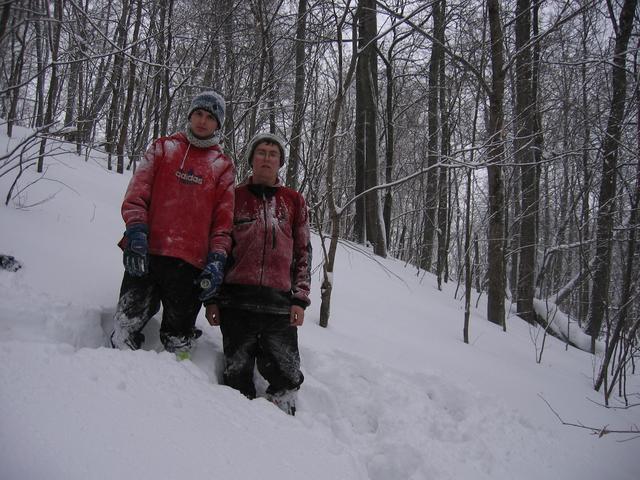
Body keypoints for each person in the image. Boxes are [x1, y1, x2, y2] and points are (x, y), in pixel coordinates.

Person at [110, 91, 235, 359]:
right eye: (199, 114)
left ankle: (178, 390)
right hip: (147, 252)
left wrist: (216, 258)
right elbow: (136, 195)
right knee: (125, 326)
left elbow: (223, 223)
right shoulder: (162, 148)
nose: (203, 121)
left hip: (189, 265)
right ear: (190, 115)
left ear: (218, 124)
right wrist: (135, 231)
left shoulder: (223, 166)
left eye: (211, 117)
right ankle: (115, 384)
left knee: (178, 339)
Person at [207, 133, 312, 415]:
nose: (267, 158)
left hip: (278, 306)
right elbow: (218, 248)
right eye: (261, 152)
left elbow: (303, 252)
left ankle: (283, 426)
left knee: (287, 375)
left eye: (273, 154)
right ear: (252, 158)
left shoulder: (294, 201)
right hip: (237, 303)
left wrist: (299, 299)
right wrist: (213, 299)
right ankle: (239, 432)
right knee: (236, 377)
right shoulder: (233, 198)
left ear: (280, 163)